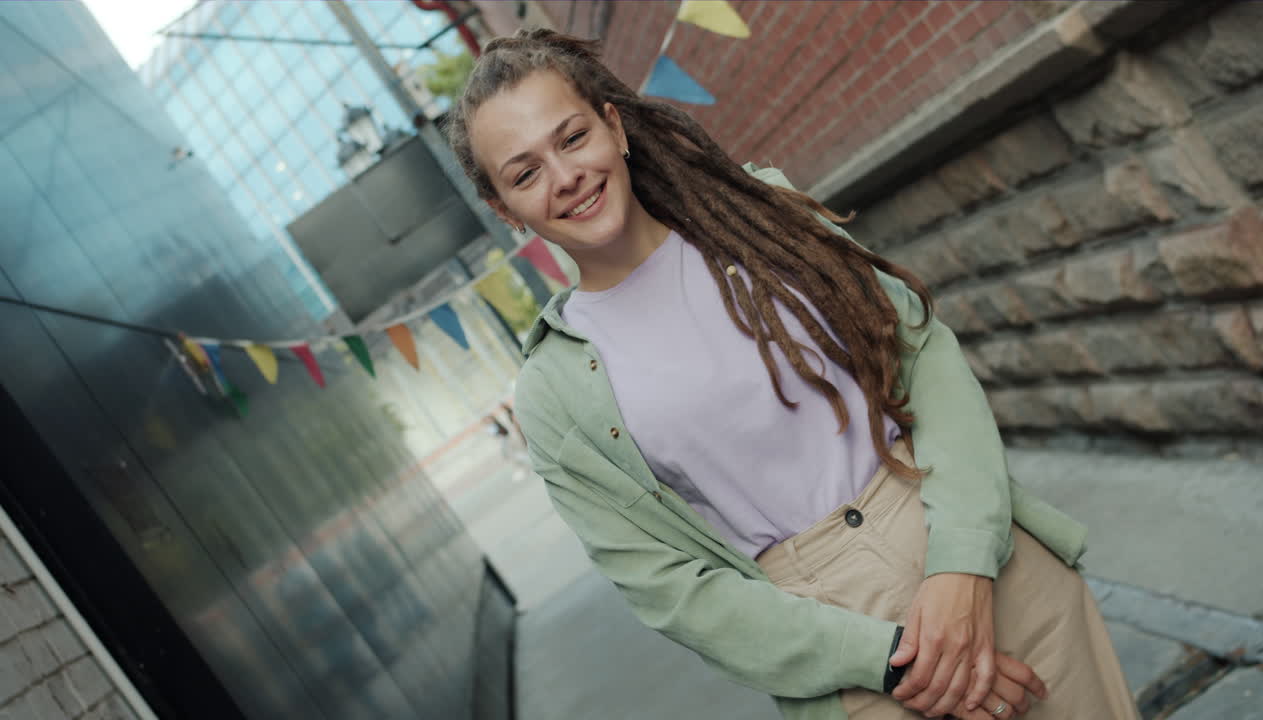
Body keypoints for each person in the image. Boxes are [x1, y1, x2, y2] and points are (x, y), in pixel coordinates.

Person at [446, 29, 1139, 720]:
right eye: (525, 172)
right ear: (507, 212)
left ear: (615, 127)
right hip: (845, 658)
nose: (565, 176)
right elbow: (670, 587)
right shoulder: (553, 393)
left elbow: (923, 359)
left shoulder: (757, 213)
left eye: (571, 138)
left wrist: (961, 564)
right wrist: (893, 665)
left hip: (981, 551)